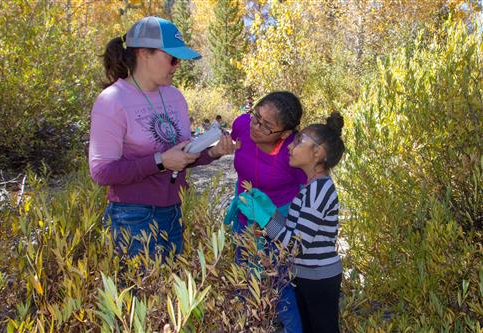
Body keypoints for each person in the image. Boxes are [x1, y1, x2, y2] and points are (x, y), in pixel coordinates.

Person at [89, 16, 234, 259]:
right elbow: (102, 172)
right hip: (132, 217)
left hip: (174, 211)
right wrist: (160, 161)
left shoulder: (175, 97)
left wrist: (214, 152)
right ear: (144, 53)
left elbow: (183, 157)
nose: (177, 66)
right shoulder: (112, 100)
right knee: (138, 295)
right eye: (172, 59)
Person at [238, 112, 346, 333]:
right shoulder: (310, 187)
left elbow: (295, 246)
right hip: (306, 275)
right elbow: (293, 231)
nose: (289, 146)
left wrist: (265, 218)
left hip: (319, 278)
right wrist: (271, 211)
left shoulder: (319, 190)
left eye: (298, 142)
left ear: (317, 152)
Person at [224, 91, 307, 333]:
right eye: (256, 117)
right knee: (242, 280)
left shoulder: (292, 153)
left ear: (284, 133)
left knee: (280, 286)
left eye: (266, 126)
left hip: (277, 224)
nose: (256, 127)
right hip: (243, 219)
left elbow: (310, 188)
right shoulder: (242, 125)